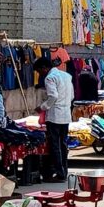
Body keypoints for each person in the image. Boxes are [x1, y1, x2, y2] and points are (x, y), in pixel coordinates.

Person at [35, 55, 74, 183]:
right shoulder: (67, 76)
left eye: (39, 71)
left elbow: (53, 96)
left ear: (44, 68)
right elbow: (72, 96)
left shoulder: (50, 77)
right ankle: (64, 171)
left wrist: (42, 107)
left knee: (55, 145)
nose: (40, 74)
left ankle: (59, 173)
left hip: (55, 116)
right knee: (63, 144)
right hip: (66, 114)